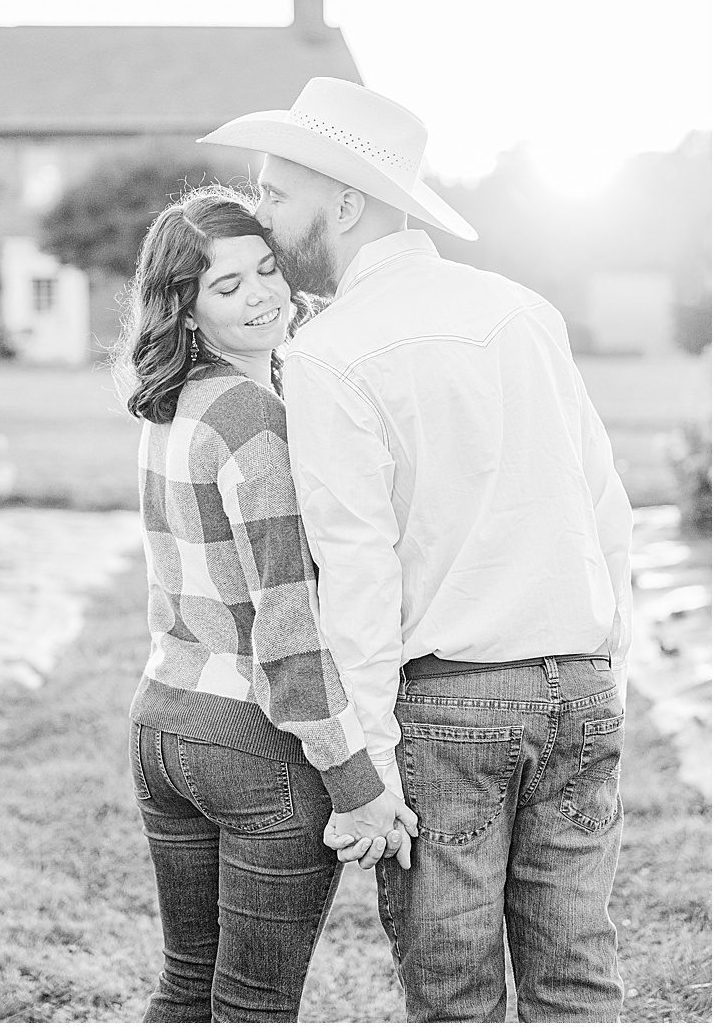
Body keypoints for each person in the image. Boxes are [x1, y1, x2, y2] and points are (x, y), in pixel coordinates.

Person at [201, 77, 634, 1021]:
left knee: (453, 996)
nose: (261, 218)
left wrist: (369, 766)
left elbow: (358, 576)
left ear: (346, 202)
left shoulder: (330, 353)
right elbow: (604, 501)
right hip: (582, 686)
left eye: (276, 193)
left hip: (451, 708)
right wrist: (610, 669)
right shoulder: (525, 310)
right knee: (579, 982)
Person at [113, 185, 417, 1022]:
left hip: (162, 728)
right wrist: (356, 784)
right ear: (184, 310)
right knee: (253, 1007)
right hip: (250, 744)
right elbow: (286, 631)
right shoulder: (256, 421)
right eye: (227, 285)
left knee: (184, 990)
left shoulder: (170, 407)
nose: (262, 295)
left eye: (266, 269)